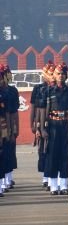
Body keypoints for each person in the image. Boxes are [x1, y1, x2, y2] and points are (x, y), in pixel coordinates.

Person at [44, 63, 68, 195]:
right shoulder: (48, 91)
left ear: (66, 76)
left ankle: (63, 184)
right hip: (52, 125)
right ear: (54, 75)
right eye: (58, 73)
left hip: (65, 125)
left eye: (63, 74)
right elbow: (44, 112)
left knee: (65, 155)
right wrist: (42, 128)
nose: (61, 76)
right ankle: (53, 185)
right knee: (52, 155)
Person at [31, 62, 53, 188]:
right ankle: (45, 176)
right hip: (42, 122)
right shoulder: (39, 89)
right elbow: (35, 108)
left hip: (55, 123)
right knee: (43, 150)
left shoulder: (56, 89)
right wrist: (35, 126)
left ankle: (53, 176)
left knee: (52, 150)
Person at [0, 64, 20, 195]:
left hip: (4, 126)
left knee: (7, 152)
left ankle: (6, 179)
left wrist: (13, 129)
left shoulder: (10, 92)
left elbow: (11, 113)